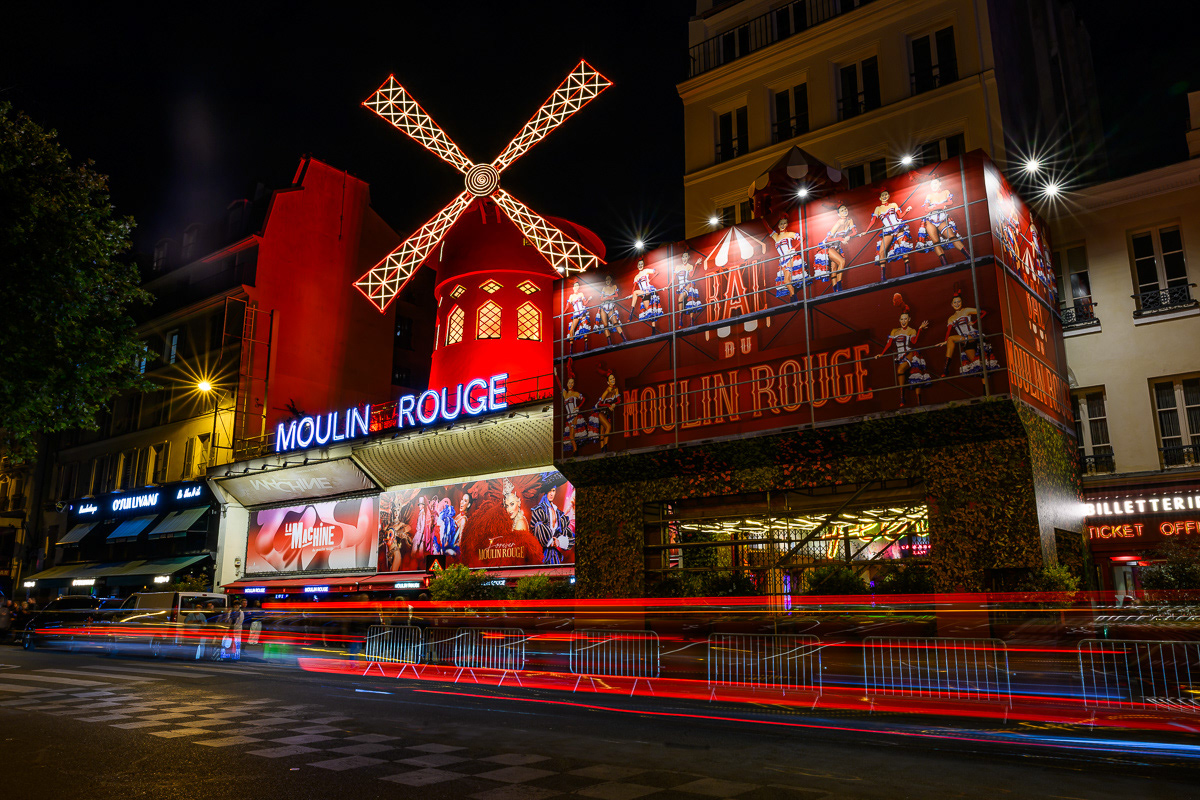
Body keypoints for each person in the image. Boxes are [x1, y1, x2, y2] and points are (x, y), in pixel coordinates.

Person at [875, 304, 931, 408]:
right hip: (900, 356)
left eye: (905, 319)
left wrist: (919, 329)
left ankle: (910, 399)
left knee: (902, 371)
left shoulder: (911, 330)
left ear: (909, 319)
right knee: (913, 378)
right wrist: (882, 354)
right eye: (902, 319)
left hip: (910, 353)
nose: (903, 321)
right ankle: (905, 398)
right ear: (899, 320)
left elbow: (914, 341)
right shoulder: (894, 331)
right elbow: (888, 344)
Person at [942, 291, 999, 377]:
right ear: (951, 304)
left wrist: (974, 322)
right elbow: (948, 330)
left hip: (972, 335)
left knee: (951, 338)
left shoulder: (966, 310)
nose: (957, 304)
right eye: (955, 302)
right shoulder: (951, 318)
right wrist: (945, 341)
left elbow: (983, 312)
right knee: (977, 364)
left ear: (962, 302)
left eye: (959, 302)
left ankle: (946, 369)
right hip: (965, 340)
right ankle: (984, 388)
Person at [917, 177, 968, 265]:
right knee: (936, 242)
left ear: (940, 183)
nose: (934, 186)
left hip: (942, 219)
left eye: (935, 183)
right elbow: (926, 209)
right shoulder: (929, 195)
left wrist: (938, 206)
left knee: (952, 237)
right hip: (930, 220)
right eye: (932, 184)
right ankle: (945, 264)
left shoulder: (946, 192)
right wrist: (939, 207)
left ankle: (969, 257)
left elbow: (950, 202)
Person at [867, 190, 914, 280]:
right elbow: (873, 221)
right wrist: (866, 231)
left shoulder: (893, 205)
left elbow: (900, 216)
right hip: (888, 230)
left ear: (888, 196)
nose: (884, 196)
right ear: (880, 197)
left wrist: (906, 211)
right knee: (881, 252)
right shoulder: (878, 208)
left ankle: (908, 272)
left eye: (886, 194)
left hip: (898, 226)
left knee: (903, 247)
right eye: (882, 195)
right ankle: (882, 277)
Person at [530, 474, 572, 565]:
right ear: (545, 492)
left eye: (553, 490)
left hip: (555, 555)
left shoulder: (559, 513)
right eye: (549, 491)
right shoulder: (538, 510)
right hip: (541, 555)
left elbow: (569, 536)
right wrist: (550, 542)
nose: (552, 493)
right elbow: (536, 532)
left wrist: (559, 542)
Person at [815, 204, 855, 292]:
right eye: (842, 210)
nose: (844, 211)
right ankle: (839, 285)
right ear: (839, 214)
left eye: (845, 208)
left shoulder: (850, 220)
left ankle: (835, 289)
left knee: (834, 267)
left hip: (836, 247)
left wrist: (848, 236)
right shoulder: (838, 223)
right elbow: (828, 239)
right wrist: (840, 238)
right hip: (828, 246)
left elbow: (854, 232)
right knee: (842, 261)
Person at [770, 216, 805, 299]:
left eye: (784, 223)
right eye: (781, 223)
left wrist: (794, 248)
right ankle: (793, 298)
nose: (783, 225)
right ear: (778, 225)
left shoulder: (789, 234)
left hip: (791, 257)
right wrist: (762, 219)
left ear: (787, 224)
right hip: (783, 261)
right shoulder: (775, 236)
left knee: (787, 280)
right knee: (786, 281)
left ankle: (794, 300)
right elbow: (768, 229)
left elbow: (801, 238)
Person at [629, 259, 662, 331]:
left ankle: (631, 314)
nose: (640, 265)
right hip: (643, 292)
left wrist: (650, 280)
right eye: (639, 264)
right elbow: (634, 288)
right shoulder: (636, 277)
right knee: (649, 310)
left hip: (649, 289)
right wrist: (631, 295)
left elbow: (657, 272)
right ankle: (653, 329)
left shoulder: (646, 271)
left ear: (643, 265)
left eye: (641, 264)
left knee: (635, 293)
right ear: (637, 266)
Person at [597, 274, 627, 345]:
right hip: (603, 307)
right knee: (605, 325)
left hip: (611, 307)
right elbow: (601, 298)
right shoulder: (604, 288)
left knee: (616, 322)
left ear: (611, 280)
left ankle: (624, 339)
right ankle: (609, 342)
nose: (607, 281)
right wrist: (607, 298)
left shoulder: (614, 286)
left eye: (609, 279)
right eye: (606, 280)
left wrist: (609, 297)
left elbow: (616, 295)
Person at [675, 253, 703, 323]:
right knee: (682, 301)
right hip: (681, 286)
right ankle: (681, 319)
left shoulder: (690, 266)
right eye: (683, 257)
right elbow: (673, 277)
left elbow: (691, 275)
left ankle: (688, 320)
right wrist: (668, 286)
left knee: (689, 300)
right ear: (681, 258)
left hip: (688, 284)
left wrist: (696, 264)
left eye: (686, 257)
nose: (684, 258)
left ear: (688, 257)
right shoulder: (677, 267)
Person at [566, 280, 592, 353]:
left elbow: (585, 303)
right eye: (575, 286)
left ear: (579, 287)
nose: (576, 287)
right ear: (573, 287)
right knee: (571, 330)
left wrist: (589, 299)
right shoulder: (571, 296)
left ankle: (586, 348)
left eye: (577, 285)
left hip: (582, 312)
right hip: (576, 314)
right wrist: (563, 313)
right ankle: (571, 351)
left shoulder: (581, 294)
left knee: (584, 328)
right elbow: (567, 306)